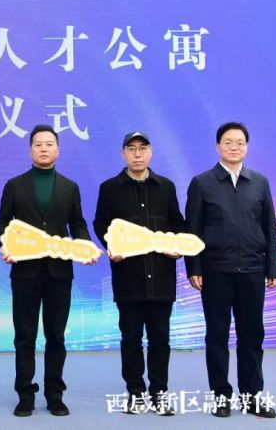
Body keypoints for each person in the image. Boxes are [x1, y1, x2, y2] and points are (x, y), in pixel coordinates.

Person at [0, 124, 96, 417]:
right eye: (38, 144)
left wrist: (85, 247)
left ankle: (54, 394)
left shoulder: (69, 186)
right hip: (25, 272)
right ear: (30, 150)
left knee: (56, 336)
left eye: (49, 144)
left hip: (58, 273)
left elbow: (77, 223)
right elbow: (3, 222)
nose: (43, 148)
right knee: (24, 336)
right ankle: (25, 394)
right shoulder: (15, 185)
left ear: (58, 150)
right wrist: (6, 245)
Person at [185, 122, 276, 419]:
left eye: (240, 142)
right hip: (215, 271)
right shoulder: (202, 183)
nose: (234, 147)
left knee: (252, 335)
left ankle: (252, 397)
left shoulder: (260, 182)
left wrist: (273, 266)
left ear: (246, 147)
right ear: (218, 146)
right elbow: (192, 229)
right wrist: (194, 267)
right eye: (228, 142)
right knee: (217, 335)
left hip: (252, 270)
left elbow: (270, 227)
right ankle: (221, 396)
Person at [93, 131, 184, 416]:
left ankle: (159, 393)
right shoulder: (110, 188)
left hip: (161, 277)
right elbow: (100, 224)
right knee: (130, 339)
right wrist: (111, 245)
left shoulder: (165, 187)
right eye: (131, 149)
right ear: (123, 153)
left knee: (160, 339)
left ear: (150, 152)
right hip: (128, 277)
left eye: (142, 148)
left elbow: (178, 224)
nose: (137, 154)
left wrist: (177, 247)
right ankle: (135, 393)